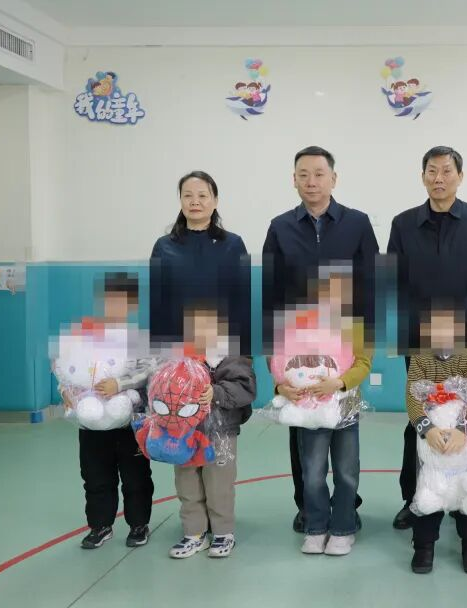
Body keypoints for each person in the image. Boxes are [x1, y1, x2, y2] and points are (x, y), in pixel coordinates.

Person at [262, 146, 377, 533]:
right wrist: (273, 349)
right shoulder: (280, 227)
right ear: (294, 180)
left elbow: (370, 283)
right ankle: (308, 506)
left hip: (344, 341)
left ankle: (347, 505)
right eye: (303, 174)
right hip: (296, 341)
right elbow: (270, 290)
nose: (311, 181)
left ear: (333, 178)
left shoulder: (357, 223)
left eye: (319, 174)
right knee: (302, 421)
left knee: (344, 424)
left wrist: (365, 338)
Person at [388, 146, 467, 529]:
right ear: (423, 176)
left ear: (459, 176)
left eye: (447, 171)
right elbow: (395, 282)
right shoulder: (403, 224)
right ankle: (415, 498)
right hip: (420, 342)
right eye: (432, 171)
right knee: (420, 417)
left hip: (464, 341)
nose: (439, 178)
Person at [57, 273, 156, 550]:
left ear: (133, 304)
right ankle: (100, 525)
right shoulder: (86, 337)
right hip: (92, 425)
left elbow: (148, 372)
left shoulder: (139, 339)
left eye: (122, 301)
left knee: (135, 477)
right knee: (95, 476)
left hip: (129, 423)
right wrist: (65, 392)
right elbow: (68, 369)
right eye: (111, 299)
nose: (115, 305)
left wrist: (119, 385)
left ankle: (138, 524)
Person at [286, 269, 371, 556]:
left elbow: (363, 364)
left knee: (346, 472)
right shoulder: (300, 327)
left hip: (345, 406)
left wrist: (339, 382)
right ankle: (316, 527)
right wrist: (281, 387)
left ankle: (343, 528)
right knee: (312, 473)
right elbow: (283, 362)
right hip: (310, 410)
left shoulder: (356, 326)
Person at [168, 305, 257, 559]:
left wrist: (215, 392)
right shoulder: (179, 356)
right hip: (184, 431)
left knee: (219, 483)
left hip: (221, 431)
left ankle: (223, 532)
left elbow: (245, 388)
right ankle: (194, 532)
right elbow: (163, 385)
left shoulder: (231, 354)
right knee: (187, 482)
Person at [406, 304, 467, 574]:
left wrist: (465, 431)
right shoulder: (420, 358)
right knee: (428, 490)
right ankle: (424, 546)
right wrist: (428, 429)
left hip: (466, 439)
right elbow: (413, 397)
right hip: (432, 439)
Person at [149, 171, 250, 353]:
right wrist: (159, 350)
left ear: (215, 201)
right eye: (188, 196)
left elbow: (242, 302)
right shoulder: (163, 246)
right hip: (175, 348)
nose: (195, 202)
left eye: (202, 196)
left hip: (222, 349)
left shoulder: (233, 244)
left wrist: (242, 350)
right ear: (181, 201)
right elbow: (156, 304)